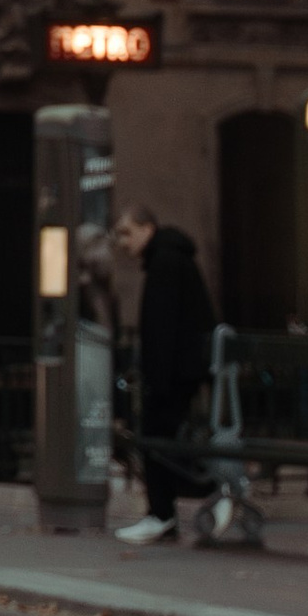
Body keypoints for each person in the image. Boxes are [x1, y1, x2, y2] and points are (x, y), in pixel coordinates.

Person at [111, 205, 217, 546]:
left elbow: (162, 328)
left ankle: (164, 513)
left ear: (146, 228)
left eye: (126, 232)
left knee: (158, 441)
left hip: (171, 375)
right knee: (164, 442)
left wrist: (156, 379)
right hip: (179, 372)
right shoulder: (171, 259)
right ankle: (165, 512)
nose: (121, 242)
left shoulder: (165, 264)